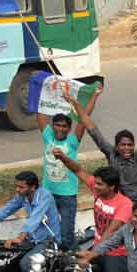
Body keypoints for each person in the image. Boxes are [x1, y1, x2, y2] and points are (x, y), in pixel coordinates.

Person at [50, 153, 133, 272]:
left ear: (112, 187)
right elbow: (77, 170)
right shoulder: (99, 191)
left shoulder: (125, 204)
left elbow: (111, 231)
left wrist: (90, 256)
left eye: (100, 184)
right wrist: (62, 157)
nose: (95, 186)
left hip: (116, 253)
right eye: (95, 183)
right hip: (97, 247)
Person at [66, 91, 137, 205]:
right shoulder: (112, 154)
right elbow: (93, 130)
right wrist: (76, 104)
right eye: (123, 145)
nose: (127, 148)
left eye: (130, 145)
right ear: (116, 147)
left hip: (136, 210)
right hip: (116, 207)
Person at [38, 85, 98, 250]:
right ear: (53, 126)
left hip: (67, 196)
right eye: (57, 125)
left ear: (69, 129)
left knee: (67, 235)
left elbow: (84, 118)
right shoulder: (48, 135)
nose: (60, 129)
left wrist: (95, 96)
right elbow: (40, 112)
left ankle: (77, 264)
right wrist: (42, 88)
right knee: (50, 233)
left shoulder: (72, 141)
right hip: (48, 193)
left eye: (64, 126)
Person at [0, 170, 63, 272]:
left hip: (48, 241)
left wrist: (20, 238)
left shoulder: (45, 196)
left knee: (26, 264)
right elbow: (5, 210)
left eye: (21, 187)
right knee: (2, 254)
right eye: (16, 186)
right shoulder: (23, 196)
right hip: (32, 238)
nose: (17, 190)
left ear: (33, 187)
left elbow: (35, 219)